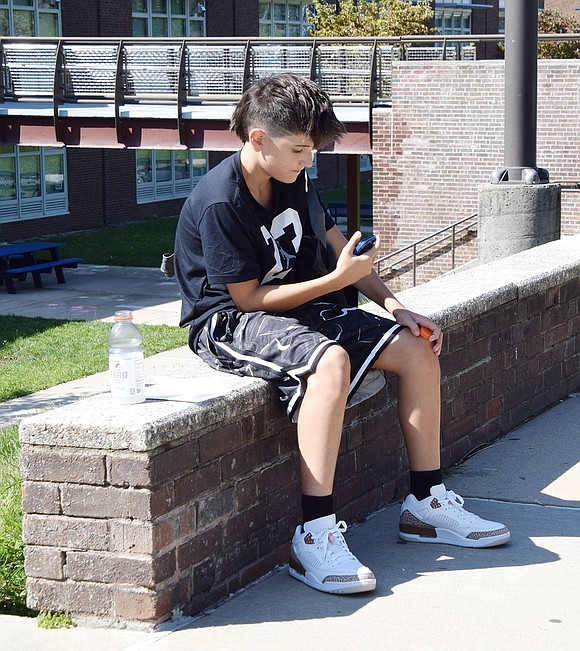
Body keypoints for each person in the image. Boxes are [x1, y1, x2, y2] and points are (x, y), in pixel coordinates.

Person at [174, 73, 510, 596]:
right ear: (257, 138)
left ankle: (426, 503)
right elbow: (246, 301)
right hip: (227, 323)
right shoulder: (222, 201)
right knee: (330, 362)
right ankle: (314, 534)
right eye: (300, 148)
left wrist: (397, 306)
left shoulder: (294, 178)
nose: (309, 160)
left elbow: (338, 247)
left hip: (303, 302)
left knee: (418, 346)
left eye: (314, 149)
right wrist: (334, 283)